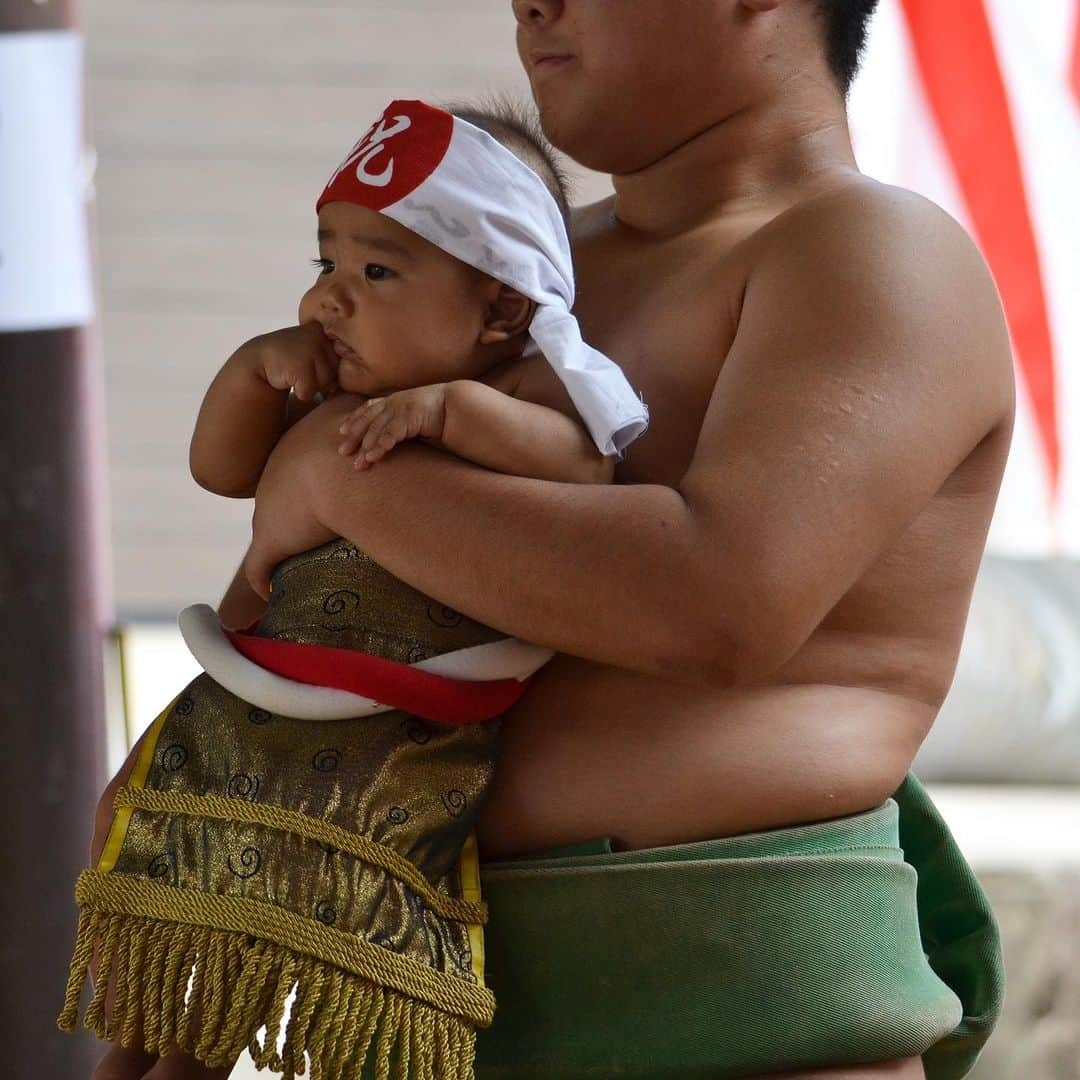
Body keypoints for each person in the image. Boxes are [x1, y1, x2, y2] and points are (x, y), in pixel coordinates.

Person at [95, 0, 1014, 1077]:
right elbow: (325, 595)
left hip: (745, 1026)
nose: (532, 5)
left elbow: (716, 602)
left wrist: (346, 477)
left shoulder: (870, 248)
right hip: (415, 997)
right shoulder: (504, 268)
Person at [68, 100, 648, 1080]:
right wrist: (256, 375)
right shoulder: (337, 397)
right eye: (324, 265)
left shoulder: (524, 394)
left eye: (376, 272)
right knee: (156, 885)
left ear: (502, 308)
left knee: (265, 954)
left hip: (381, 760)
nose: (329, 300)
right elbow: (220, 468)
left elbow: (587, 471)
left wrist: (451, 413)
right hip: (252, 707)